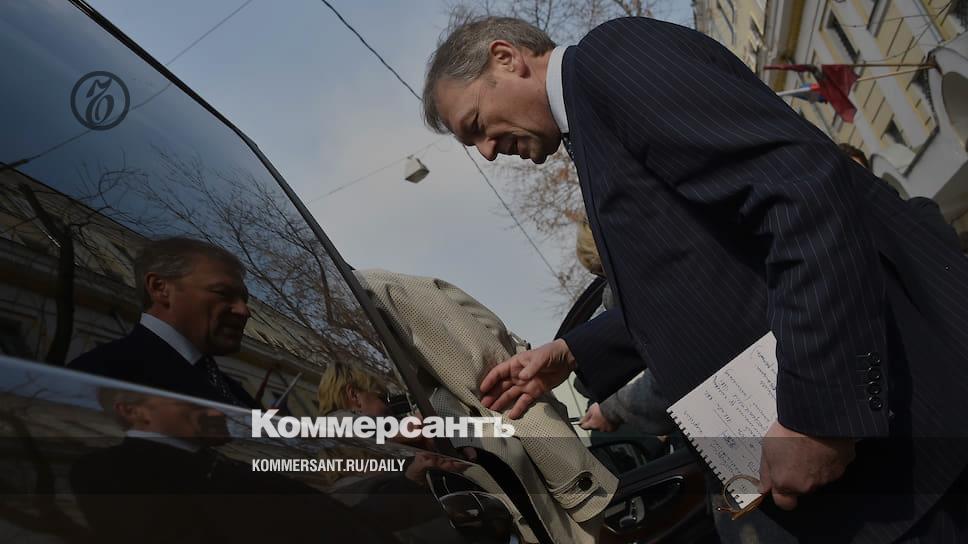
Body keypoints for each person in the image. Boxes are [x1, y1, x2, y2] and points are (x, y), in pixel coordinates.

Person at [422, 16, 968, 542]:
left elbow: (801, 195)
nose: (488, 152)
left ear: (506, 58)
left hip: (899, 468)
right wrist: (573, 351)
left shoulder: (610, 62)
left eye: (476, 125)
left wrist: (818, 415)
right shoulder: (591, 118)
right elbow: (704, 277)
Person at [70, 237, 259, 408]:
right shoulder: (98, 378)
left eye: (244, 300)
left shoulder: (233, 390)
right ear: (160, 288)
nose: (244, 311)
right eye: (223, 293)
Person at [839, 142, 962, 251]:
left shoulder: (920, 209)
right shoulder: (856, 247)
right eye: (850, 181)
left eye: (862, 176)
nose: (860, 185)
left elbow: (949, 250)